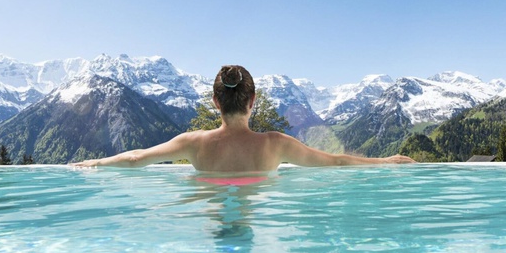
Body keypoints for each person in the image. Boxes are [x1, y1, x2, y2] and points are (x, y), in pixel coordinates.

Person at [70, 65, 416, 172]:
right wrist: (386, 160)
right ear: (252, 101)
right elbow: (337, 162)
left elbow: (135, 159)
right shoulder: (276, 145)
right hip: (259, 225)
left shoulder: (193, 143)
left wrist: (95, 161)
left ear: (215, 101)